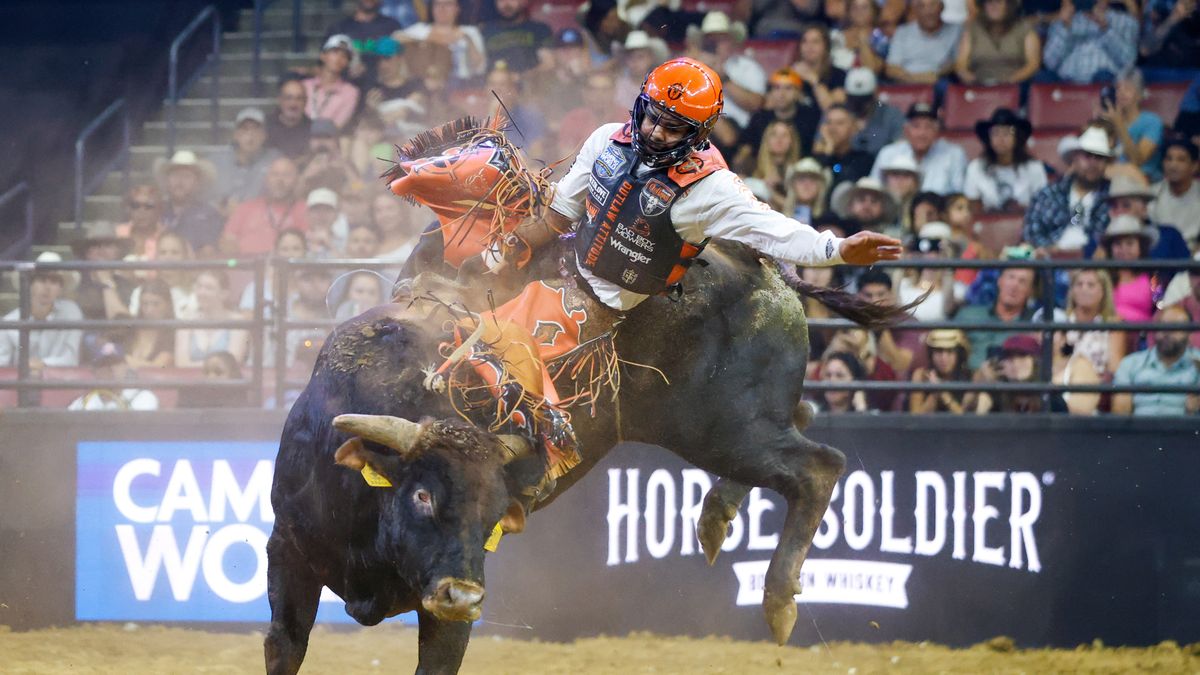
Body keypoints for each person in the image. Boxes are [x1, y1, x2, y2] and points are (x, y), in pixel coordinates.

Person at [1023, 126, 1113, 253]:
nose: (1093, 163)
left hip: (1095, 265)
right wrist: (1051, 251)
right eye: (1088, 156)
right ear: (1074, 159)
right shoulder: (1047, 194)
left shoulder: (1115, 197)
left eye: (1099, 157)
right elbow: (1031, 234)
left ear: (1106, 163)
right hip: (1049, 264)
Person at [1112, 305, 1200, 415]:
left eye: (1175, 327)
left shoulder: (1198, 363)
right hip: (1140, 429)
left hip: (1185, 430)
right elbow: (1120, 413)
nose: (1167, 332)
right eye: (1163, 326)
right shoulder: (1130, 364)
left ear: (1190, 334)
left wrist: (1193, 413)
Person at [688, 12, 767, 132]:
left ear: (732, 41)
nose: (714, 45)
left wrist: (723, 78)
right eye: (710, 40)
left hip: (739, 131)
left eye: (720, 39)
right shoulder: (693, 66)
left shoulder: (748, 67)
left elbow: (756, 105)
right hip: (697, 128)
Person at [870, 103, 968, 195]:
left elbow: (959, 195)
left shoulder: (953, 155)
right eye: (916, 126)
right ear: (906, 130)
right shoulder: (888, 154)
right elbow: (874, 190)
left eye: (928, 126)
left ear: (936, 131)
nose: (922, 133)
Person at [220, 157, 309, 256]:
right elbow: (227, 242)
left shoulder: (306, 210)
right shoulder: (245, 208)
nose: (280, 180)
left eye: (286, 175)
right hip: (248, 267)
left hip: (289, 268)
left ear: (296, 180)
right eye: (275, 174)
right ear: (266, 179)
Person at [964, 108, 1047, 212]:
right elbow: (972, 206)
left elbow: (1043, 205)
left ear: (1017, 137)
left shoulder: (1034, 168)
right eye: (995, 133)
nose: (1001, 138)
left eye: (1007, 133)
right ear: (988, 138)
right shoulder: (976, 168)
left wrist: (1021, 210)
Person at [956, 266, 1038, 370]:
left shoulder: (1034, 324)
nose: (1014, 285)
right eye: (1011, 277)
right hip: (966, 382)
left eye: (1022, 281)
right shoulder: (968, 315)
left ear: (1030, 291)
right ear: (1000, 281)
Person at [0, 268, 84, 368]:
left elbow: (71, 358)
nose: (47, 287)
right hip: (22, 381)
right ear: (29, 285)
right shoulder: (10, 320)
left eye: (54, 281)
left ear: (60, 289)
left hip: (59, 380)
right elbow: (2, 361)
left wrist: (42, 364)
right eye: (41, 280)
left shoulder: (71, 312)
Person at [739, 68, 821, 165]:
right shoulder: (759, 118)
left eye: (788, 88)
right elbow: (745, 150)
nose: (782, 94)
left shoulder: (810, 119)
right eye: (777, 88)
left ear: (798, 92)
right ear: (771, 92)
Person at [209, 107, 283, 214]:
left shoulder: (275, 161)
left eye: (256, 129)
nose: (250, 135)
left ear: (264, 135)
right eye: (244, 129)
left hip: (259, 220)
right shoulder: (216, 161)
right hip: (219, 220)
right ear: (235, 134)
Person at [1043, 0, 1138, 83]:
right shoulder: (1061, 23)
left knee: (1104, 77)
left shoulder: (1125, 21)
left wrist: (1106, 29)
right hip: (1068, 84)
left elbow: (1129, 61)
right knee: (1044, 78)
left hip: (1104, 82)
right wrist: (1065, 28)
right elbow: (1050, 63)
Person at [398, 0, 487, 83]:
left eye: (448, 4)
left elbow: (480, 66)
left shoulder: (470, 32)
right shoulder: (420, 30)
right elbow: (396, 38)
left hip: (463, 83)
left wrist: (467, 39)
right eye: (437, 4)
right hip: (427, 83)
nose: (442, 8)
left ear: (457, 8)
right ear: (432, 8)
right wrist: (429, 40)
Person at [974, 334, 1068, 413]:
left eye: (1022, 356)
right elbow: (978, 428)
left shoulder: (1051, 397)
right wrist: (987, 384)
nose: (1015, 362)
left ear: (1036, 362)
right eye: (1009, 357)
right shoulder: (996, 396)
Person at [954, 0, 1040, 85]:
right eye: (989, 2)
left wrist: (1011, 80)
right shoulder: (972, 29)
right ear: (983, 6)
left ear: (1009, 5)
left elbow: (1033, 63)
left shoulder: (1024, 28)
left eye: (998, 2)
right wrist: (967, 76)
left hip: (1015, 85)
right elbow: (961, 62)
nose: (993, 6)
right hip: (978, 85)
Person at [175, 270, 249, 368]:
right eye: (199, 287)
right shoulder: (186, 321)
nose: (201, 292)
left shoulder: (238, 321)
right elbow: (181, 363)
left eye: (208, 288)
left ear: (224, 294)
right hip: (191, 381)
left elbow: (234, 361)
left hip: (225, 382)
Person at [1101, 68, 1164, 182]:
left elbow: (1137, 160)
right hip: (1112, 178)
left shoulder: (1152, 122)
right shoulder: (1109, 121)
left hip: (1144, 180)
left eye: (1128, 89)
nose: (1121, 93)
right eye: (1118, 88)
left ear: (1140, 95)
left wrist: (1119, 124)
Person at [155, 150, 223, 256]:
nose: (180, 181)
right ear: (167, 180)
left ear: (197, 183)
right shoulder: (155, 210)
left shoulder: (209, 215)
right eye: (175, 175)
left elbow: (208, 251)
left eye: (186, 176)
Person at [1063, 268, 1126, 378]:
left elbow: (1115, 367)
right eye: (1079, 284)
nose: (1084, 289)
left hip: (1096, 385)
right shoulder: (1061, 322)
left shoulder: (1112, 323)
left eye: (1090, 285)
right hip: (1064, 381)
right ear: (1072, 291)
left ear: (1103, 292)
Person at [885, 0, 962, 84]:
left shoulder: (956, 30)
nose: (928, 12)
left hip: (938, 81)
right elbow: (892, 68)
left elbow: (958, 63)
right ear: (915, 10)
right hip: (906, 83)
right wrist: (917, 79)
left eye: (932, 5)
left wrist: (936, 75)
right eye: (922, 6)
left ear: (942, 7)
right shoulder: (902, 32)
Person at [899, 221, 963, 321]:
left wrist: (948, 262)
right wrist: (903, 256)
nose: (931, 254)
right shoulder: (904, 284)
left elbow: (948, 308)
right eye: (926, 246)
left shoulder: (958, 289)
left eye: (936, 248)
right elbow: (895, 308)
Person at [1100, 214, 1158, 323]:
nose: (1124, 249)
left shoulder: (1152, 276)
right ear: (1110, 249)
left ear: (1141, 247)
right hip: (1107, 334)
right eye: (1118, 244)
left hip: (1144, 336)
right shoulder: (1101, 276)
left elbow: (1159, 310)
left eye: (1130, 243)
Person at [812, 103, 876, 194]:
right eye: (829, 122)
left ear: (853, 128)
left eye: (840, 123)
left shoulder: (864, 159)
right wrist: (828, 149)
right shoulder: (817, 159)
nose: (832, 128)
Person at [303, 35, 362, 130]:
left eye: (344, 56)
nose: (339, 58)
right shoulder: (304, 86)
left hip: (328, 140)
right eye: (335, 52)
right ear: (323, 55)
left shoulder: (350, 92)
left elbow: (337, 126)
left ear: (347, 63)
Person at [909, 329, 974, 413]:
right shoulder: (921, 375)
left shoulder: (968, 376)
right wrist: (935, 394)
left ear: (959, 355)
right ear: (931, 354)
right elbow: (916, 419)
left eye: (950, 351)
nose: (944, 358)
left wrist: (943, 393)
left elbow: (964, 420)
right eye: (939, 351)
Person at [1149, 139, 1200, 247]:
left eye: (1181, 160)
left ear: (1195, 166)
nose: (1173, 165)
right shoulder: (1151, 194)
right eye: (1169, 159)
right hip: (1160, 256)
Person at [481, 0, 554, 73]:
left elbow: (549, 64)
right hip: (494, 83)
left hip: (531, 82)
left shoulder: (540, 29)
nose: (506, 4)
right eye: (501, 1)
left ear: (523, 2)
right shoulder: (485, 31)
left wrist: (521, 77)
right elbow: (479, 66)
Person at [846, 67, 904, 156]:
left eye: (864, 99)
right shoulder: (839, 114)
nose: (859, 105)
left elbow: (901, 147)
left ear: (875, 94)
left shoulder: (891, 115)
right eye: (854, 99)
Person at [125, 278, 177, 370]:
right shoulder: (130, 328)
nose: (149, 310)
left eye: (156, 304)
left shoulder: (173, 332)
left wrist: (123, 360)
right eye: (145, 304)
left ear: (167, 305)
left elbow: (159, 367)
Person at [792, 24, 847, 110]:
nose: (809, 46)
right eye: (804, 41)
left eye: (815, 42)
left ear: (826, 47)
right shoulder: (791, 74)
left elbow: (831, 109)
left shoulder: (838, 75)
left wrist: (814, 81)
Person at [753, 120, 803, 209]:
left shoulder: (799, 172)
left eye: (784, 135)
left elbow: (798, 209)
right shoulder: (752, 166)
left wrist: (770, 192)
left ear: (792, 142)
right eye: (774, 134)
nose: (779, 140)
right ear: (767, 140)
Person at [831, 0, 888, 73]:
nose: (859, 12)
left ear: (874, 11)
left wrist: (863, 41)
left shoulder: (881, 38)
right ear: (849, 11)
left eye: (864, 7)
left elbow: (872, 68)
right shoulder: (836, 35)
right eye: (855, 7)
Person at [114, 184, 167, 261]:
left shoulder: (169, 236)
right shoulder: (116, 234)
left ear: (159, 209)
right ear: (128, 209)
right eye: (135, 206)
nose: (141, 211)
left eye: (149, 206)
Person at [830, 176, 900, 232]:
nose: (867, 206)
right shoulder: (837, 236)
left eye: (874, 201)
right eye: (861, 200)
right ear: (850, 205)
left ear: (883, 208)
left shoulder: (892, 238)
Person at [266, 78, 313, 159]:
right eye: (288, 98)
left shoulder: (313, 129)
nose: (293, 104)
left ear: (305, 102)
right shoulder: (265, 126)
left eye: (299, 98)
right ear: (280, 100)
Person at [783, 158, 830, 222]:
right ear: (792, 184)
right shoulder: (778, 218)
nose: (807, 184)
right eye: (801, 178)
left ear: (820, 186)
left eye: (813, 179)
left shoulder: (829, 222)